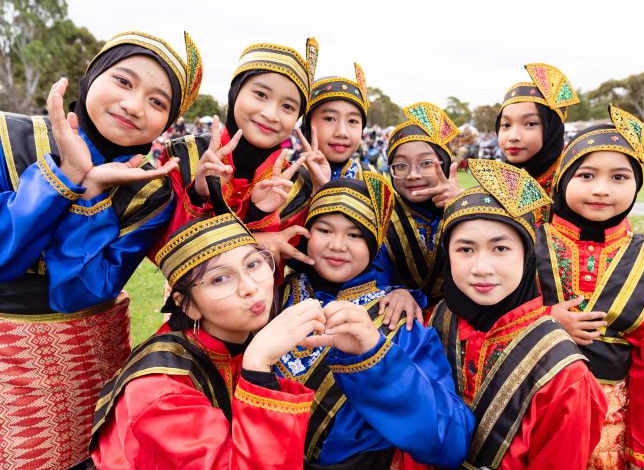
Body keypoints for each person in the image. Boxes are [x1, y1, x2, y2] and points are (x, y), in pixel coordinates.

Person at [0, 30, 201, 468]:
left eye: (157, 102)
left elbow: (77, 292)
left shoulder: (151, 193)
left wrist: (90, 192)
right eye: (124, 82)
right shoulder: (7, 137)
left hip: (82, 365)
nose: (133, 105)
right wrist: (65, 174)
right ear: (92, 76)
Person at [91, 209, 323, 469]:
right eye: (219, 279)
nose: (249, 287)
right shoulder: (159, 390)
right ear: (188, 306)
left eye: (253, 264)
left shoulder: (232, 338)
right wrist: (258, 367)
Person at [274, 172, 474, 469]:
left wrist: (375, 354)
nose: (338, 245)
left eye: (355, 235)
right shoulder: (278, 290)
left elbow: (451, 440)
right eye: (325, 230)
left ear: (374, 244)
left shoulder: (398, 319)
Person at [429, 158, 607, 469]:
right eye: (465, 249)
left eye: (500, 249)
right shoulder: (440, 319)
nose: (481, 268)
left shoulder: (564, 374)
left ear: (527, 257)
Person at [535, 105, 644, 469]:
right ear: (563, 179)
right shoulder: (523, 246)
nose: (601, 190)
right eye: (586, 175)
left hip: (606, 437)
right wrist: (546, 320)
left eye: (619, 177)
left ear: (637, 185)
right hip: (530, 417)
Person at [160, 38, 325, 264]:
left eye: (288, 106)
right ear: (235, 92)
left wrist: (261, 214)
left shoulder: (293, 185)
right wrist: (199, 194)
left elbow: (291, 259)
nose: (270, 114)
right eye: (261, 94)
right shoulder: (185, 155)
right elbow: (165, 248)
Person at [381, 102, 463, 310]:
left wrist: (462, 205)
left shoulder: (466, 206)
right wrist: (394, 291)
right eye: (400, 165)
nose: (413, 174)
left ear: (444, 164)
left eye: (426, 163)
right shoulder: (381, 213)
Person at [496, 63, 580, 224]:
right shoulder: (500, 178)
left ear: (552, 128)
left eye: (530, 124)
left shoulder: (574, 180)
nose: (513, 136)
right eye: (506, 125)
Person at [298, 62, 371, 182]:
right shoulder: (284, 180)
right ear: (306, 125)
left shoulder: (375, 182)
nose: (342, 132)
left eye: (352, 121)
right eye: (329, 119)